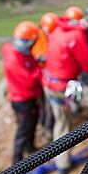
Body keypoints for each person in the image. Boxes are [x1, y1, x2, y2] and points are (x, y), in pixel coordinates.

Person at [41, 5, 88, 174]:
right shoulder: (78, 36)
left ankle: (62, 165)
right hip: (65, 88)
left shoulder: (59, 27)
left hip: (49, 85)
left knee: (62, 125)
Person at [2, 21, 43, 165]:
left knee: (31, 124)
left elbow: (30, 65)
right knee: (23, 130)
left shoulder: (22, 53)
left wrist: (37, 63)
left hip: (28, 97)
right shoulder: (14, 58)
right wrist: (40, 71)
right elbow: (28, 81)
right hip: (22, 100)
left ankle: (30, 149)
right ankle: (17, 163)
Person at [31, 12, 59, 142]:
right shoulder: (36, 36)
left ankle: (46, 127)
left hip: (48, 74)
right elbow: (36, 55)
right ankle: (46, 128)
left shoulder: (49, 34)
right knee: (46, 104)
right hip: (41, 75)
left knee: (47, 103)